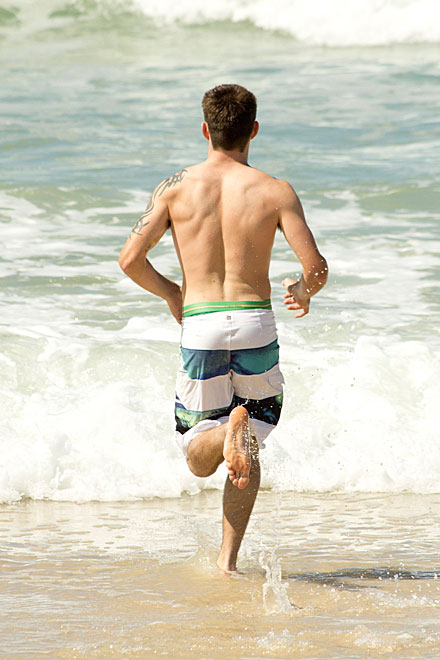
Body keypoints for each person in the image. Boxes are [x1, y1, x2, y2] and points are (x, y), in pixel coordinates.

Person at [119, 84, 328, 572]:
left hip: (202, 324)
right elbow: (316, 268)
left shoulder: (174, 188)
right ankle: (226, 561)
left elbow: (130, 259)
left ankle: (222, 435)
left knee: (197, 452)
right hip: (255, 322)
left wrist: (173, 293)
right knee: (249, 442)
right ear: (253, 130)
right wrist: (302, 291)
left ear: (205, 130)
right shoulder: (275, 190)